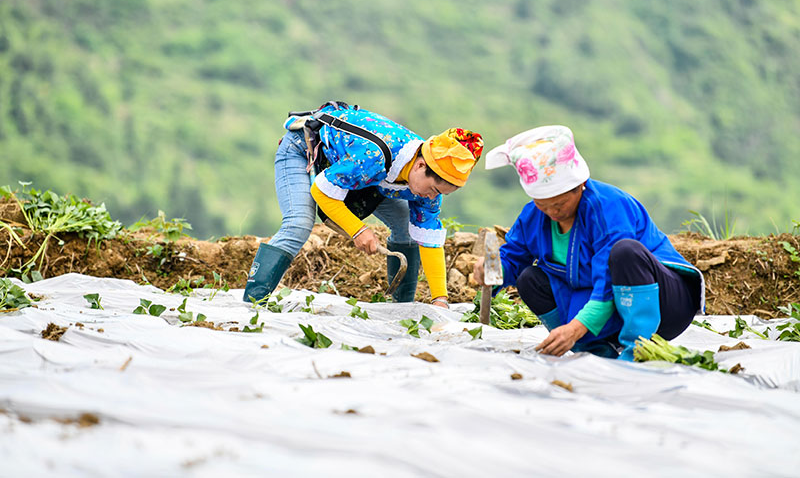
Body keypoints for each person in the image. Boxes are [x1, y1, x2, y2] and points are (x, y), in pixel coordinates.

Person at [473, 126, 704, 360]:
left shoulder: (608, 208)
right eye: (543, 205)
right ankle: (591, 353)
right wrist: (493, 269)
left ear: (579, 186)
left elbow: (607, 281)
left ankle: (637, 352)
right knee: (530, 280)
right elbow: (513, 256)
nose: (552, 212)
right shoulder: (533, 216)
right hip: (604, 309)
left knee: (625, 252)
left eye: (559, 204)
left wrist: (575, 328)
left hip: (663, 304)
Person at [244, 100, 483, 308]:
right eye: (432, 190)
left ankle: (400, 309)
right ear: (420, 166)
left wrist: (439, 299)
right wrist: (358, 230)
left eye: (440, 194)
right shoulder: (374, 156)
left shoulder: (428, 182)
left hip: (357, 172)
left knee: (405, 225)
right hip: (304, 149)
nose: (432, 197)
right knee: (299, 224)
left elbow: (429, 236)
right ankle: (253, 305)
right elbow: (322, 191)